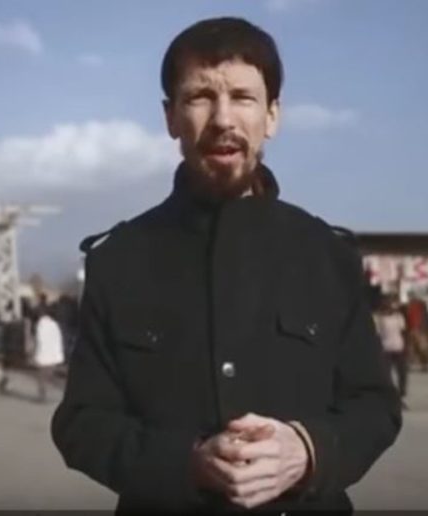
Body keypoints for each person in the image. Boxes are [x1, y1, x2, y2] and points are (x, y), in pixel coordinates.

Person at [51, 17, 401, 513]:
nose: (222, 119)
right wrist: (186, 463)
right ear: (171, 117)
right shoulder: (119, 260)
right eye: (200, 97)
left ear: (272, 115)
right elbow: (82, 423)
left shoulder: (327, 255)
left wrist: (307, 451)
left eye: (242, 97)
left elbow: (375, 406)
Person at [374, 296, 408, 406]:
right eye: (387, 304)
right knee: (387, 375)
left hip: (399, 347)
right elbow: (377, 335)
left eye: (391, 303)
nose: (390, 306)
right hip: (386, 349)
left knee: (402, 374)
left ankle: (401, 396)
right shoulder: (378, 318)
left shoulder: (398, 317)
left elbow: (403, 332)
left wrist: (406, 347)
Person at [33, 305, 64, 403]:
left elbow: (39, 340)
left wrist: (35, 353)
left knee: (42, 376)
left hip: (43, 354)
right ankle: (45, 394)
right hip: (53, 354)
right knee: (49, 375)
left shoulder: (40, 325)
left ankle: (42, 395)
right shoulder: (55, 324)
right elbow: (58, 339)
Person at [404, 292, 428, 372]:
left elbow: (427, 319)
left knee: (422, 348)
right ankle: (409, 364)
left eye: (412, 297)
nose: (411, 299)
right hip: (411, 330)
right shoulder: (408, 307)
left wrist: (427, 331)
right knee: (411, 348)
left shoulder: (421, 307)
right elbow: (407, 319)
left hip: (420, 330)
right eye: (410, 297)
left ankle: (424, 365)